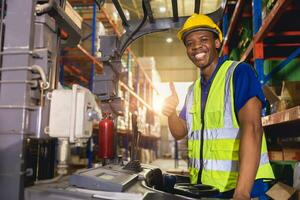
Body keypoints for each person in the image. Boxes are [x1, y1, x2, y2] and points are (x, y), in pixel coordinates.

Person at [162, 14, 274, 199]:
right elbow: (179, 131)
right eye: (190, 43)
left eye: (203, 39)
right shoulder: (193, 90)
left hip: (240, 189)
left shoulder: (238, 73)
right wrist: (171, 113)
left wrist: (242, 193)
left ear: (216, 42)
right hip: (207, 190)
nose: (196, 46)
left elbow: (253, 128)